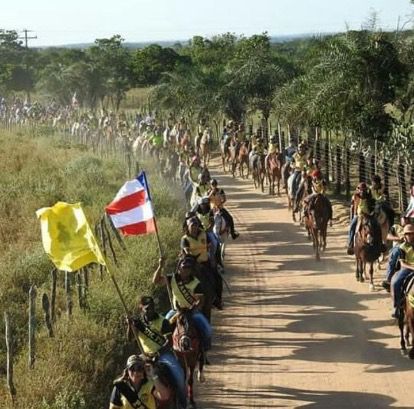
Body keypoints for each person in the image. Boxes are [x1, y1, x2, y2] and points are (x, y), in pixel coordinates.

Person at [127, 295, 186, 407]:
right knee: (128, 373)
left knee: (179, 376)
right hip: (144, 355)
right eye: (147, 308)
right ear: (141, 308)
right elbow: (130, 338)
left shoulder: (163, 322)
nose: (151, 310)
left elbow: (169, 343)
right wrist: (130, 326)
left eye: (152, 307)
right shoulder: (137, 323)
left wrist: (158, 354)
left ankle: (182, 403)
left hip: (162, 355)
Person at [152, 256, 213, 351]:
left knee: (208, 331)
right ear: (179, 268)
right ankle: (166, 349)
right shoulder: (172, 279)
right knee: (163, 328)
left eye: (188, 268)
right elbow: (156, 281)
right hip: (176, 311)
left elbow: (201, 300)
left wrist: (194, 307)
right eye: (184, 267)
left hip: (192, 311)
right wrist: (160, 266)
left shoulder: (196, 283)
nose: (186, 270)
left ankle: (204, 349)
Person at [347, 182, 378, 255]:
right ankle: (350, 244)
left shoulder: (369, 197)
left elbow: (373, 206)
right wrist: (353, 216)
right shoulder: (355, 197)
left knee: (376, 226)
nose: (362, 191)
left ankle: (378, 245)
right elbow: (352, 207)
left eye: (363, 189)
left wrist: (372, 213)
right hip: (358, 216)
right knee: (352, 227)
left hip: (368, 216)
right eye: (360, 189)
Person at [390, 223, 414, 318]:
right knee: (396, 282)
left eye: (411, 233)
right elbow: (402, 263)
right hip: (407, 268)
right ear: (404, 235)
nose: (410, 236)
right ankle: (397, 305)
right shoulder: (402, 247)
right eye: (407, 234)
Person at [381, 216, 407, 291]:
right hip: (399, 247)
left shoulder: (411, 226)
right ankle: (389, 279)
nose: (406, 220)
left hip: (410, 247)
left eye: (407, 218)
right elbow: (388, 236)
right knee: (394, 254)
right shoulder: (396, 227)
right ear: (401, 219)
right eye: (404, 218)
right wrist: (398, 238)